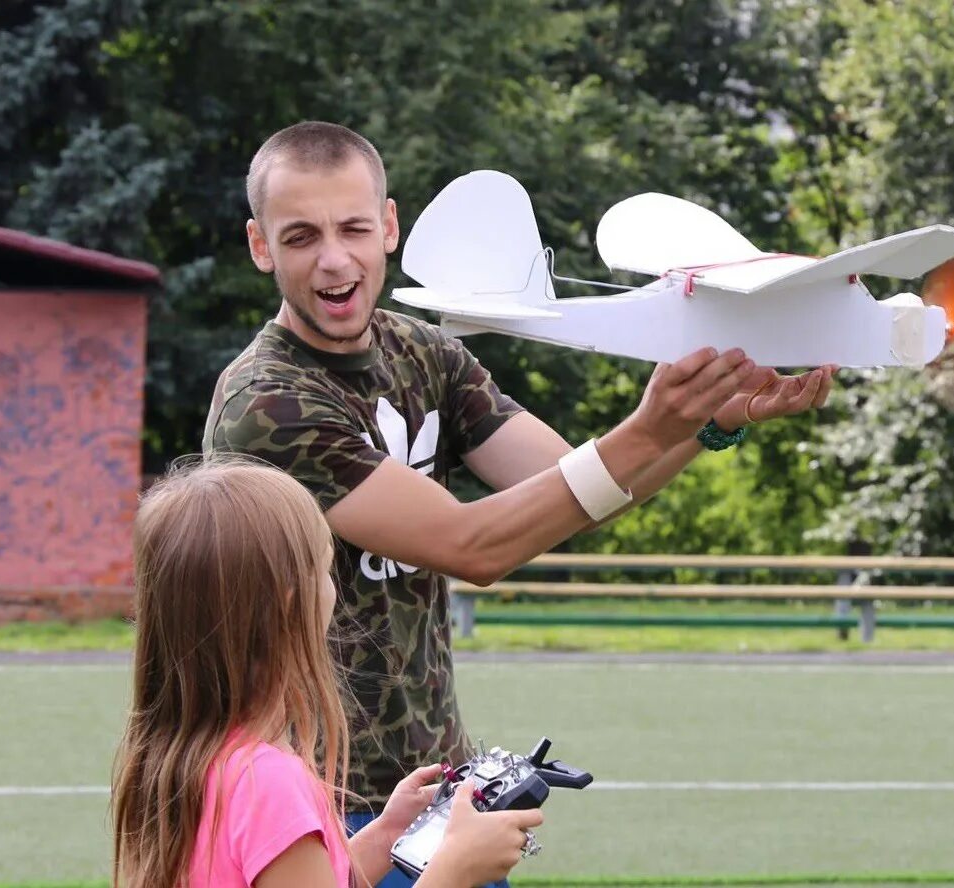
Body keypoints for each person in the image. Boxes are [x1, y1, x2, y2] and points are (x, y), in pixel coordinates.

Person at [202, 121, 835, 877]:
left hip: (438, 794)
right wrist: (649, 426)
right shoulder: (266, 403)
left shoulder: (423, 351)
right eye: (301, 236)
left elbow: (575, 485)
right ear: (260, 246)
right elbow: (475, 548)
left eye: (354, 229)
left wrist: (707, 424)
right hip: (311, 804)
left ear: (390, 228)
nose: (335, 259)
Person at [110, 458, 543, 888]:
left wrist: (386, 836)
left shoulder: (184, 758)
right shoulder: (269, 783)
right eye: (326, 566)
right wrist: (454, 870)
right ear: (290, 602)